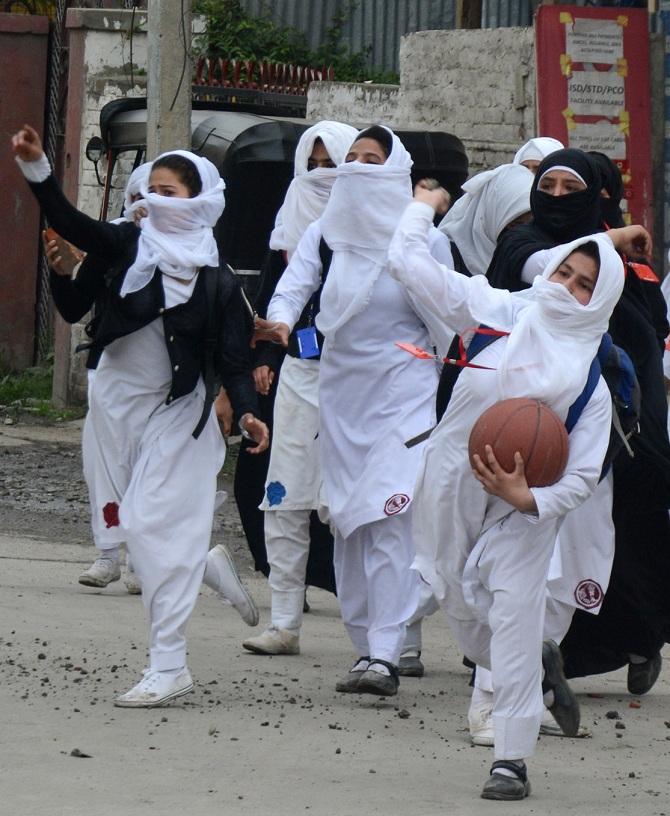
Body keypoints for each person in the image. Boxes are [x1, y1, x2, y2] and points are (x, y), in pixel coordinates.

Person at [387, 182, 646, 800]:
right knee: (461, 607)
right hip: (452, 483)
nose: (569, 287)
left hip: (524, 512)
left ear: (603, 298)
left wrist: (532, 499)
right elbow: (407, 263)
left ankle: (512, 760)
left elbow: (583, 473)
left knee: (512, 613)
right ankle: (534, 663)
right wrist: (423, 207)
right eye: (566, 270)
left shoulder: (591, 377)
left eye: (587, 283)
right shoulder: (494, 309)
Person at [13, 124, 269, 708]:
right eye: (148, 188)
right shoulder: (128, 246)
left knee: (150, 527)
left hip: (179, 413)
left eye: (169, 191)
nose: (153, 198)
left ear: (200, 200)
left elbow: (233, 362)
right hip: (118, 406)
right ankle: (199, 563)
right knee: (137, 525)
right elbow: (72, 224)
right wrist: (38, 168)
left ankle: (169, 663)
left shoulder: (220, 283)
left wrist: (250, 414)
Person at [259, 125, 453, 695]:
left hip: (407, 391)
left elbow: (448, 307)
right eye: (354, 159)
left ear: (398, 169)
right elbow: (293, 289)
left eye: (374, 158)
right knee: (349, 524)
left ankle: (388, 655)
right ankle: (368, 645)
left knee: (390, 517)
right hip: (341, 397)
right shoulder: (326, 232)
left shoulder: (422, 236)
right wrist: (278, 323)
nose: (360, 168)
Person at [488, 148, 670, 696]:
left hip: (617, 415)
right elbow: (546, 272)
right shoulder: (519, 244)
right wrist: (610, 242)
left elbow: (650, 324)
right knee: (522, 535)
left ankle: (635, 639)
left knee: (623, 535)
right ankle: (522, 663)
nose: (560, 199)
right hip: (533, 416)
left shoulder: (627, 261)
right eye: (550, 187)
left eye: (574, 189)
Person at [241, 120, 357, 656]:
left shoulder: (396, 230)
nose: (320, 176)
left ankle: (393, 636)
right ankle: (284, 620)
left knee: (362, 509)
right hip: (301, 375)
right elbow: (279, 295)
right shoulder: (295, 228)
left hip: (367, 383)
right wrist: (270, 346)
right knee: (283, 497)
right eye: (311, 166)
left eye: (331, 164)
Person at [44, 161, 152, 594]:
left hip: (168, 385)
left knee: (150, 472)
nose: (145, 207)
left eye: (159, 195)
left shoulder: (195, 252)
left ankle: (141, 560)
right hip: (111, 374)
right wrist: (59, 271)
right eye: (140, 196)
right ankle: (109, 553)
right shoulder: (112, 246)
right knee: (104, 467)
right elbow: (73, 309)